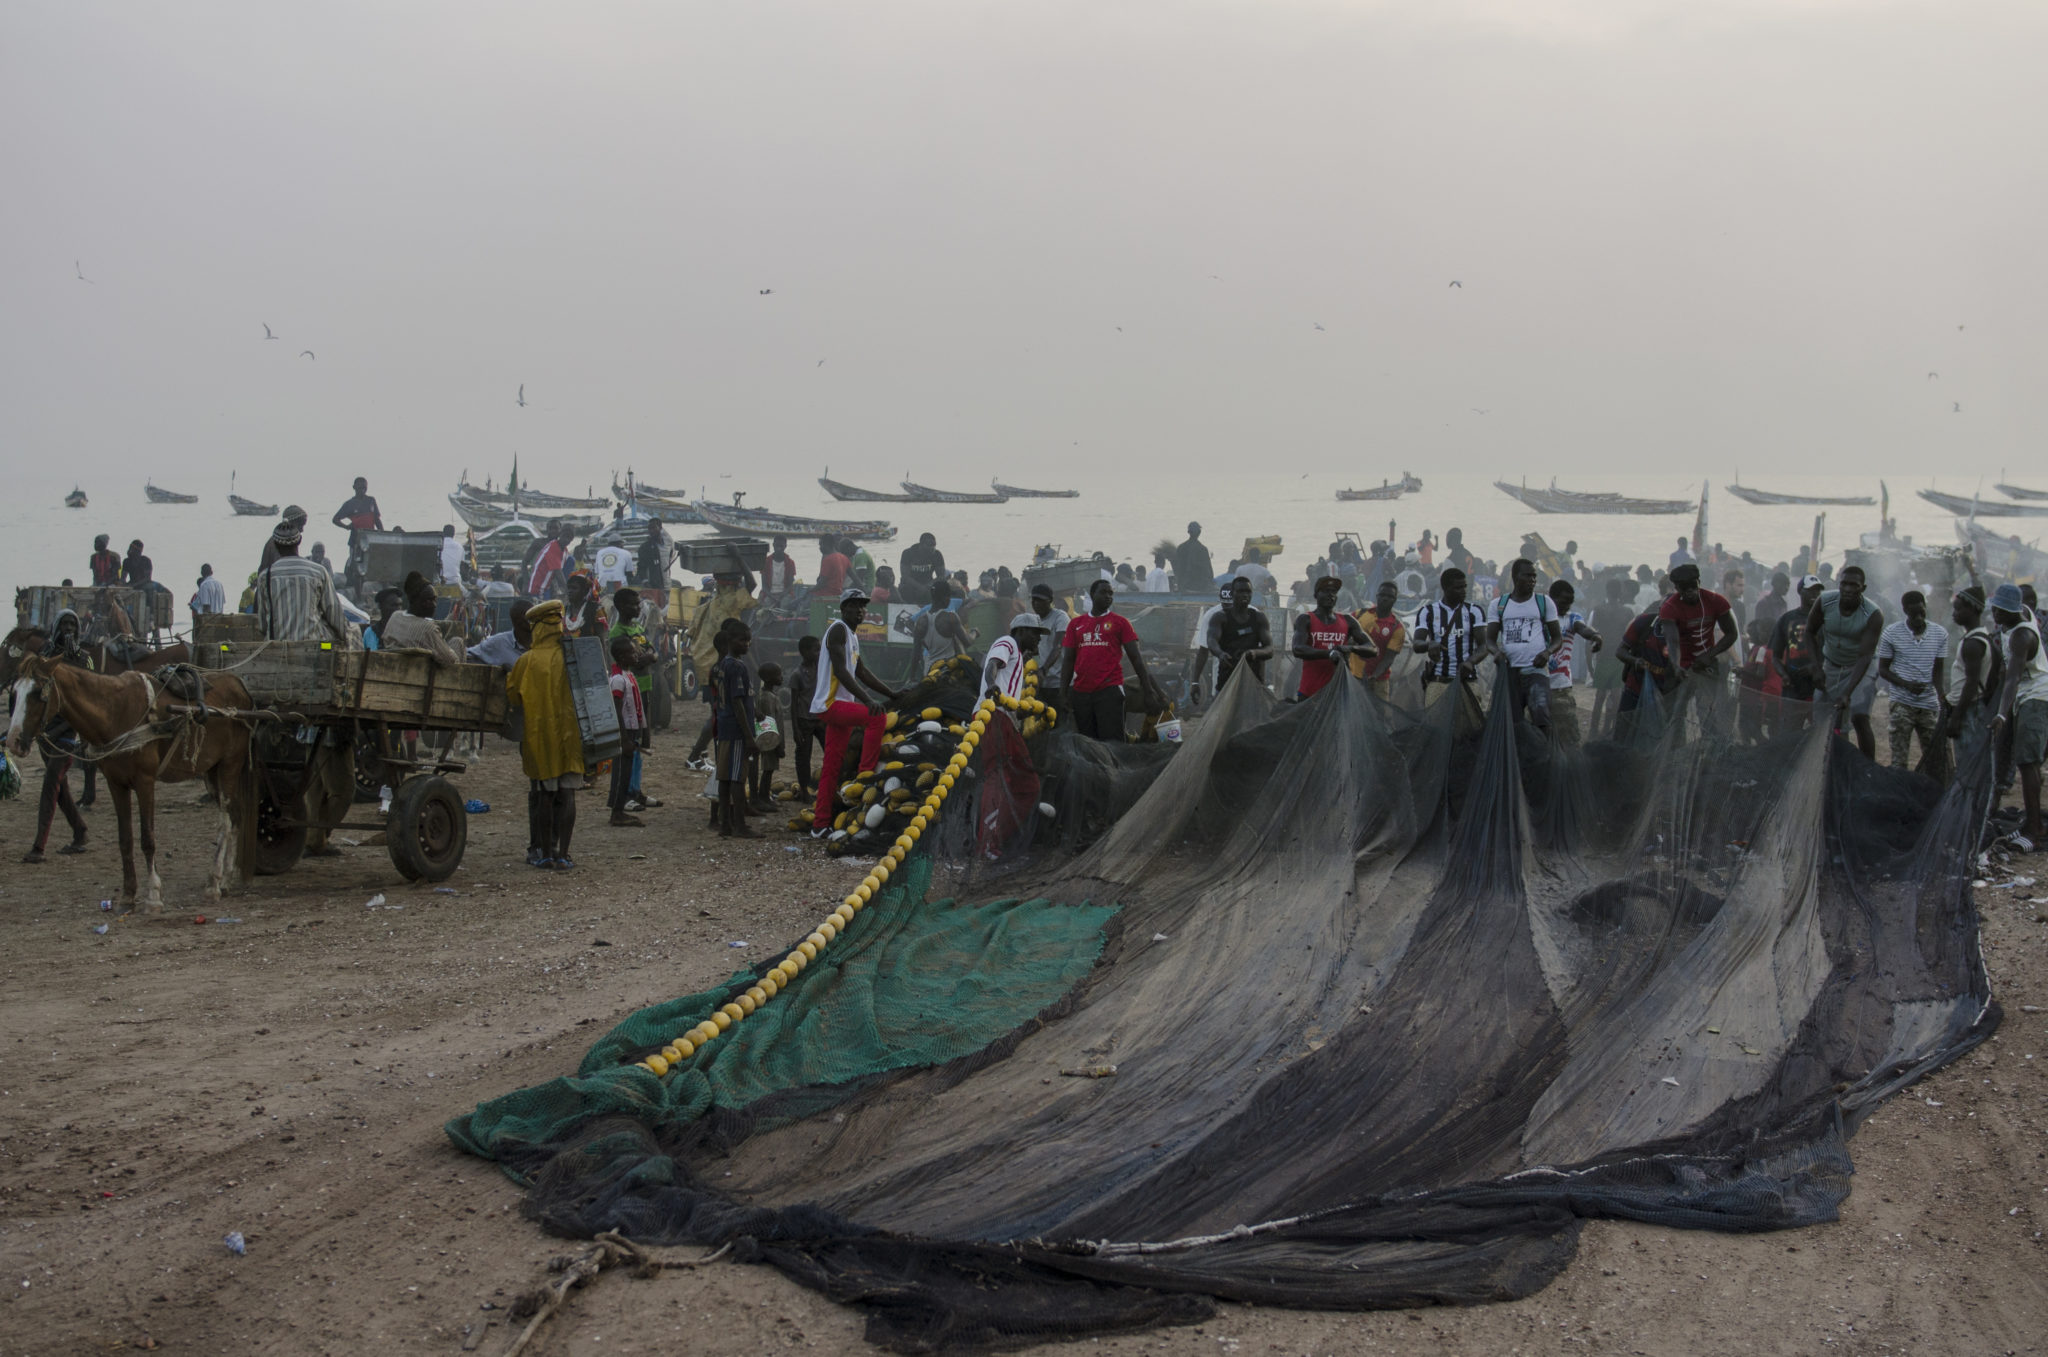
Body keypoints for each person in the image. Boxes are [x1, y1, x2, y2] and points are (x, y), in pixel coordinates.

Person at [810, 586, 900, 832]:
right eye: (854, 605)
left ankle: (819, 825)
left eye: (863, 606)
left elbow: (861, 672)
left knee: (831, 767)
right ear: (843, 608)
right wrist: (868, 701)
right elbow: (840, 671)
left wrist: (891, 693)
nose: (860, 610)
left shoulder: (852, 635)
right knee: (877, 718)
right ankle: (865, 776)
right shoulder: (838, 630)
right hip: (831, 704)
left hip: (841, 706)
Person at [507, 600, 583, 868]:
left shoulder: (526, 661)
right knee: (568, 793)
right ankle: (565, 853)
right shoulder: (575, 658)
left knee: (545, 795)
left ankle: (545, 852)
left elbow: (513, 697)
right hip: (572, 737)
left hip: (540, 738)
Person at [19, 611, 91, 863]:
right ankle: (80, 832)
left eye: (73, 624)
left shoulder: (83, 658)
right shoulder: (45, 656)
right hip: (45, 733)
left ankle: (39, 847)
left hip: (67, 735)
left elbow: (86, 696)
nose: (69, 628)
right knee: (60, 790)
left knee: (51, 783)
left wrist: (72, 660)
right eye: (64, 624)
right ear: (55, 626)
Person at [1064, 579, 1165, 741]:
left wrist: (1148, 691)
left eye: (1110, 593)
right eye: (1103, 592)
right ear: (1092, 595)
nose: (1108, 596)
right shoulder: (1076, 624)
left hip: (1109, 692)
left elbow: (1136, 660)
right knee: (1087, 743)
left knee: (1113, 743)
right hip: (1081, 693)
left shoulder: (1121, 623)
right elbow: (1068, 660)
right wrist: (1064, 693)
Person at [1807, 564, 1884, 759]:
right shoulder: (1825, 601)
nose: (1848, 589)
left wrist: (1847, 692)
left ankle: (1868, 768)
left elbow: (1865, 656)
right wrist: (1816, 667)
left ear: (1863, 588)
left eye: (1854, 585)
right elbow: (1809, 632)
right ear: (1838, 584)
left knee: (1858, 714)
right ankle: (1826, 760)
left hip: (1859, 667)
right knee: (1821, 714)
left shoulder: (1873, 614)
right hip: (1831, 663)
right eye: (1844, 584)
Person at [1988, 583, 2045, 845]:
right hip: (2025, 696)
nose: (1995, 615)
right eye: (1994, 608)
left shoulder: (2021, 636)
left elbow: (2011, 679)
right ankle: (2029, 825)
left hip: (2037, 696)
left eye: (2000, 611)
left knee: (2028, 762)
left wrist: (2001, 714)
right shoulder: (2018, 616)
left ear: (2013, 611)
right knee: (2019, 757)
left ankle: (2034, 831)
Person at [1877, 590, 1950, 781]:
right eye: (1913, 613)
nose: (1918, 618)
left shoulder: (1939, 633)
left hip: (1928, 704)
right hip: (1902, 703)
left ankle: (1935, 798)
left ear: (1925, 607)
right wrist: (1906, 684)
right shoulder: (1891, 633)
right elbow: (1883, 669)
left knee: (1934, 756)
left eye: (1921, 612)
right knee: (1899, 760)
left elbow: (1938, 670)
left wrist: (1941, 695)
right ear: (1904, 611)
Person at [1657, 563, 1739, 730]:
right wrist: (1676, 665)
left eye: (1693, 587)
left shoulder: (1716, 601)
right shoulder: (1669, 607)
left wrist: (1709, 656)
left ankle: (1708, 745)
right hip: (1680, 664)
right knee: (1675, 711)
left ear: (1699, 582)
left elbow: (1731, 634)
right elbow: (1672, 641)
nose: (1690, 593)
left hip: (1706, 664)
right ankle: (1673, 745)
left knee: (1707, 711)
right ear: (1677, 588)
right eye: (1684, 589)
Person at [1485, 559, 1561, 728]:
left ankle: (1544, 753)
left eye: (1534, 576)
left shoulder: (1543, 602)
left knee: (1541, 716)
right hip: (1510, 672)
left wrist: (1547, 653)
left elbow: (1557, 639)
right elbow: (1489, 640)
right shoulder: (1499, 605)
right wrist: (1496, 652)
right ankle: (1516, 754)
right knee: (1511, 721)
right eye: (1527, 575)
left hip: (1536, 670)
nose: (1532, 580)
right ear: (1515, 577)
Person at [254, 520, 348, 644]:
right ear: (299, 541)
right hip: (314, 645)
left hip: (277, 646)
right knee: (353, 633)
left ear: (276, 545)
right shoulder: (318, 572)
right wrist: (346, 638)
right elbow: (335, 615)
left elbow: (263, 626)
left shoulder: (265, 577)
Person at [1294, 575, 1377, 701]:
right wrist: (1329, 653)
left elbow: (1372, 648)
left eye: (1333, 592)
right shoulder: (1305, 619)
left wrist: (1351, 648)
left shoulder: (1348, 621)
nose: (1330, 595)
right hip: (1310, 693)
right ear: (1316, 595)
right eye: (1326, 591)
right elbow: (1298, 649)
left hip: (1339, 693)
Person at [1545, 578, 1603, 746]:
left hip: (1561, 687)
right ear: (1551, 598)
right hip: (1538, 684)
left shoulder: (1572, 618)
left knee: (1568, 735)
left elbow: (1583, 629)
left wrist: (1595, 636)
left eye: (1570, 603)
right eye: (1563, 602)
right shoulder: (1539, 618)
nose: (1567, 606)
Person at [1413, 567, 1488, 692]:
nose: (1464, 591)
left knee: (1470, 712)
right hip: (1438, 681)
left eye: (1465, 586)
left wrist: (1471, 662)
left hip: (1467, 681)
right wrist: (1429, 644)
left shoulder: (1474, 611)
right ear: (1446, 589)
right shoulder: (1428, 612)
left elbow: (1484, 646)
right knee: (1436, 712)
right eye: (1458, 588)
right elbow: (1416, 644)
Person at [1614, 600, 1679, 742]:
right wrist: (1635, 661)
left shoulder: (1685, 632)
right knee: (1624, 732)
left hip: (1667, 694)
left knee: (1666, 738)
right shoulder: (1644, 623)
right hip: (1636, 688)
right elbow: (1620, 651)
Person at [605, 634, 649, 828]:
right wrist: (624, 738)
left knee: (626, 771)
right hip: (625, 733)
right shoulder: (617, 680)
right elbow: (617, 708)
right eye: (632, 652)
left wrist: (643, 731)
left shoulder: (628, 675)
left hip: (632, 731)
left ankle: (619, 809)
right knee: (622, 773)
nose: (636, 655)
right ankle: (617, 812)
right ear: (622, 657)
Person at [379, 573, 467, 666]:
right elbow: (450, 661)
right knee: (458, 642)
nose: (434, 605)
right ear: (416, 601)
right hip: (421, 673)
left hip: (394, 666)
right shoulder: (428, 628)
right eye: (429, 600)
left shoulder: (395, 616)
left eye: (434, 600)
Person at [1204, 577, 1273, 694]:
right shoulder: (1220, 618)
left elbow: (1269, 649)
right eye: (1241, 591)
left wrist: (1254, 653)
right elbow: (1211, 641)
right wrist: (1220, 654)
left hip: (1253, 684)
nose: (1245, 595)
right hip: (1227, 683)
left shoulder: (1259, 618)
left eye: (1248, 592)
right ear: (1233, 593)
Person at [1588, 577, 1637, 738]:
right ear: (1621, 592)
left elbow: (1592, 635)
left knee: (1600, 696)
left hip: (1604, 656)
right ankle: (1609, 730)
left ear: (1607, 591)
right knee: (1616, 698)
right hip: (1619, 657)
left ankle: (1594, 731)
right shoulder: (1627, 611)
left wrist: (1590, 663)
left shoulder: (1599, 609)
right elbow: (1630, 637)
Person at [1769, 574, 1826, 707]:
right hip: (1793, 686)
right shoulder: (1786, 619)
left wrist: (1817, 667)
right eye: (1811, 590)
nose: (1815, 593)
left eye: (1818, 590)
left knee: (1818, 726)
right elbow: (1775, 656)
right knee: (1790, 726)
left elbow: (1833, 653)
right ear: (1800, 591)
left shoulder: (1826, 619)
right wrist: (1783, 675)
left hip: (1819, 684)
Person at [1351, 579, 1406, 694]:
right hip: (1353, 678)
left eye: (1389, 596)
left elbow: (1389, 658)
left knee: (1379, 712)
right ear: (1377, 596)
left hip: (1379, 682)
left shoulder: (1397, 627)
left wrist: (1374, 676)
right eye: (1382, 595)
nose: (1385, 598)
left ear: (1395, 600)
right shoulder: (1358, 615)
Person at [982, 614, 1048, 702]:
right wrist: (991, 684)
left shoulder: (1018, 657)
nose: (1039, 638)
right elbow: (993, 663)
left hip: (1002, 712)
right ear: (1021, 631)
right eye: (1035, 633)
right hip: (990, 710)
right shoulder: (1008, 641)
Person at [914, 577, 976, 670]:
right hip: (948, 670)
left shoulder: (921, 621)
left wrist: (912, 677)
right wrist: (974, 633)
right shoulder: (951, 618)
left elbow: (915, 652)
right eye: (949, 597)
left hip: (930, 671)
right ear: (945, 598)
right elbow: (967, 642)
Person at [1028, 583, 1070, 719]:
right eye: (1033, 600)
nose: (1036, 603)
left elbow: (1057, 647)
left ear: (1050, 601)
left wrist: (1044, 669)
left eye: (1040, 600)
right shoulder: (1035, 620)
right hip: (1044, 682)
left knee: (1063, 719)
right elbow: (1037, 648)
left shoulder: (1060, 617)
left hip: (1061, 682)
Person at [751, 661, 788, 813]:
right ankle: (763, 796)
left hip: (773, 738)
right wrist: (778, 745)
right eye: (778, 675)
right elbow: (769, 722)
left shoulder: (770, 694)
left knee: (770, 768)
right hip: (770, 740)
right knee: (768, 768)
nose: (782, 677)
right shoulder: (766, 698)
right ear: (769, 678)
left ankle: (765, 796)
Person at [789, 634, 822, 802]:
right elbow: (793, 704)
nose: (819, 652)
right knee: (803, 756)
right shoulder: (797, 674)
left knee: (830, 751)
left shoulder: (821, 668)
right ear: (803, 652)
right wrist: (795, 729)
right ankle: (804, 790)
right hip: (804, 719)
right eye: (816, 650)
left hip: (821, 718)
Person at [468, 598, 532, 668]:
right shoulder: (498, 643)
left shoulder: (543, 644)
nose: (535, 623)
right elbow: (469, 654)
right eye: (531, 619)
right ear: (518, 622)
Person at [331, 477, 383, 552]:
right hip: (356, 541)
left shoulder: (371, 500)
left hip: (371, 539)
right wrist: (346, 527)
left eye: (364, 488)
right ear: (354, 487)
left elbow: (377, 519)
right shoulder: (349, 504)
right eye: (360, 488)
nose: (362, 490)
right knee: (356, 562)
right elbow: (335, 519)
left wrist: (381, 535)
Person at [526, 522, 576, 598]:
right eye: (564, 536)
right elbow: (558, 573)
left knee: (571, 560)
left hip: (547, 588)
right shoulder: (553, 547)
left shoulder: (565, 551)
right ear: (560, 535)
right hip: (537, 589)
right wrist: (567, 591)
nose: (566, 540)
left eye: (569, 538)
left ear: (572, 540)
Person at [259, 506, 310, 576]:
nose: (302, 530)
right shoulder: (279, 544)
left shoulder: (277, 541)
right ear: (291, 524)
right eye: (300, 525)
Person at [898, 533, 945, 605]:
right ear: (921, 544)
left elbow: (941, 576)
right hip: (910, 585)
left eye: (934, 545)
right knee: (906, 589)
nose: (932, 548)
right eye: (929, 545)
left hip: (928, 584)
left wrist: (927, 586)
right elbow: (905, 576)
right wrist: (920, 587)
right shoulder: (908, 553)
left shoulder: (937, 555)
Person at [1173, 523, 1213, 596]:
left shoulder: (1181, 548)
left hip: (1184, 586)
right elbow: (1209, 572)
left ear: (1188, 532)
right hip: (1200, 587)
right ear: (1199, 533)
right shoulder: (1202, 549)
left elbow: (1177, 569)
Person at [763, 535, 800, 602]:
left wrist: (781, 595)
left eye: (781, 546)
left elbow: (790, 585)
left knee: (785, 604)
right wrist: (771, 596)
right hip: (769, 594)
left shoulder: (790, 563)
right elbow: (764, 586)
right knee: (767, 603)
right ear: (773, 545)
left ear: (785, 546)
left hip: (785, 594)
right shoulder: (766, 562)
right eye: (777, 546)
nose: (779, 548)